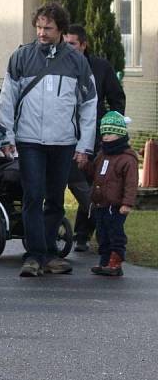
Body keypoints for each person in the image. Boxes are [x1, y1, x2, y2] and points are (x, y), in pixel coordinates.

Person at [0, 3, 97, 277]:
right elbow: (7, 100)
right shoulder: (21, 57)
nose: (41, 32)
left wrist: (84, 145)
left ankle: (50, 253)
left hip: (63, 142)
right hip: (29, 140)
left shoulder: (77, 61)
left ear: (61, 30)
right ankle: (34, 255)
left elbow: (89, 103)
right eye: (39, 27)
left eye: (48, 28)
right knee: (33, 196)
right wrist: (6, 136)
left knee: (55, 199)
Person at [64, 24, 126, 252]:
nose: (68, 48)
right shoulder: (59, 66)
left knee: (93, 185)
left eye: (72, 44)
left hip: (95, 137)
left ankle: (85, 234)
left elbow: (117, 98)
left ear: (83, 44)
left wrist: (112, 128)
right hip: (64, 135)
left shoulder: (100, 67)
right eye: (65, 43)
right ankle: (61, 232)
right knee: (69, 185)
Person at [86, 112, 137, 277]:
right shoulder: (102, 154)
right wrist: (84, 165)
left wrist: (127, 203)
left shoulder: (127, 159)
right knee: (102, 232)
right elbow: (94, 173)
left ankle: (116, 261)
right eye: (104, 133)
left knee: (115, 232)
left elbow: (131, 183)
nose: (106, 137)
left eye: (110, 133)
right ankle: (105, 260)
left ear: (120, 133)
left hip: (116, 205)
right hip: (101, 203)